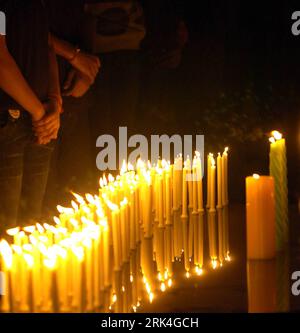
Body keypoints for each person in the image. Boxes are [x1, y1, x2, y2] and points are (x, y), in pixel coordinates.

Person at [0, 0, 61, 233]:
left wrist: (55, 101)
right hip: (9, 121)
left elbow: (46, 45)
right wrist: (40, 111)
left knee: (32, 229)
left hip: (39, 122)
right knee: (8, 231)